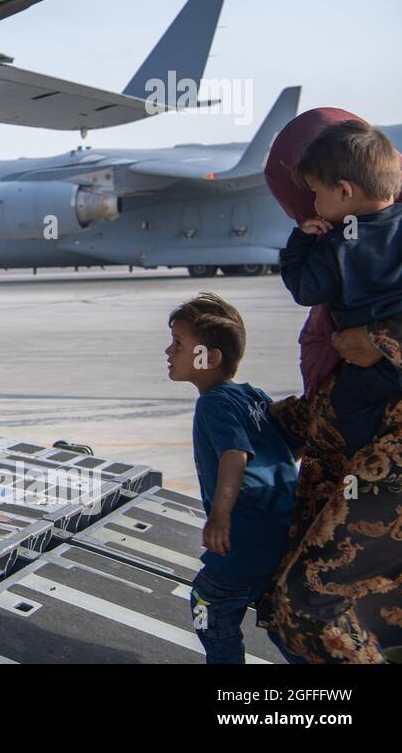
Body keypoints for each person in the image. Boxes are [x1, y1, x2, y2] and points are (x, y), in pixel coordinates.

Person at [259, 107, 402, 663]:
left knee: (307, 606)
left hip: (383, 451)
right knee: (285, 605)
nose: (311, 211)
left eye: (313, 197)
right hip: (352, 449)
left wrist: (382, 337)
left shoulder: (343, 247)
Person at [165, 294, 299, 664]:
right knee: (278, 615)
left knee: (209, 600)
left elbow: (234, 455)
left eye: (179, 344)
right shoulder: (251, 396)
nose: (168, 350)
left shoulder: (213, 403)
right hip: (279, 521)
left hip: (247, 527)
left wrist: (220, 515)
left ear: (211, 357)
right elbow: (286, 447)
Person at [277, 120, 402, 450]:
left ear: (344, 191)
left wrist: (299, 245)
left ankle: (361, 457)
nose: (314, 204)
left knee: (345, 407)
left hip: (374, 367)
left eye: (316, 193)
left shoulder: (339, 244)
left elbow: (305, 291)